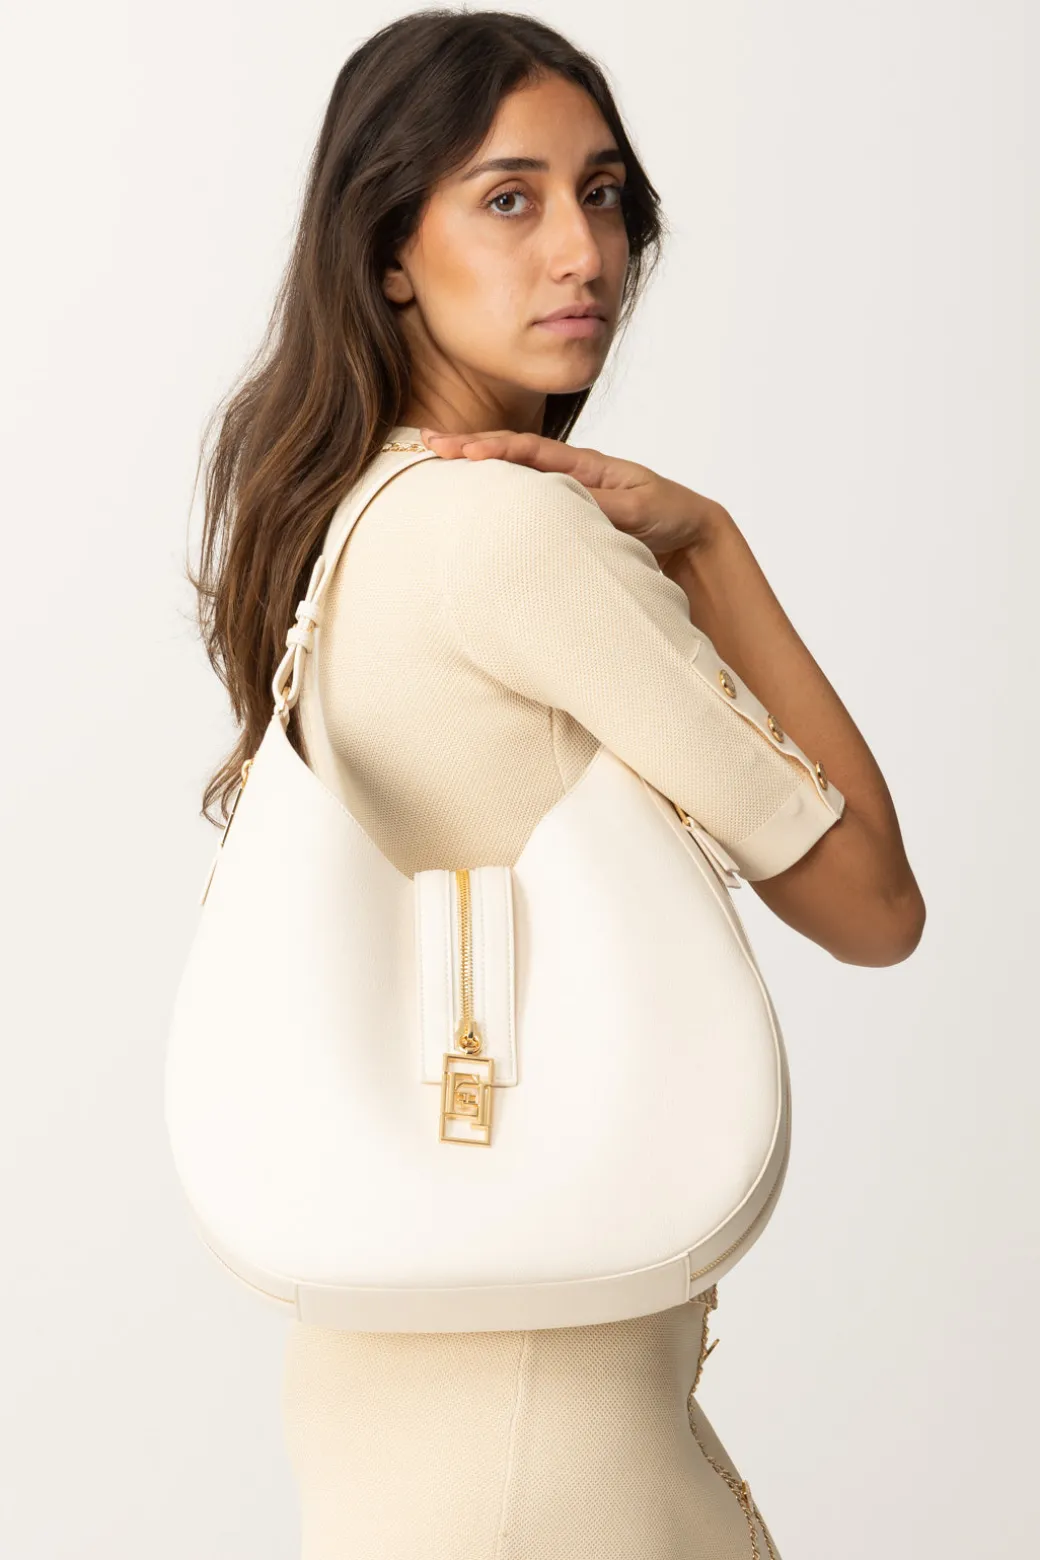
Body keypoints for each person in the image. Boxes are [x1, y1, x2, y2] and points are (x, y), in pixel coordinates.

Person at [191, 10, 925, 1557]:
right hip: (543, 1425)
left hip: (406, 1402)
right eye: (508, 199)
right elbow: (872, 904)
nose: (582, 251)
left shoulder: (352, 517)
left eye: (602, 194)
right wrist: (716, 550)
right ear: (391, 250)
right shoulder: (512, 532)